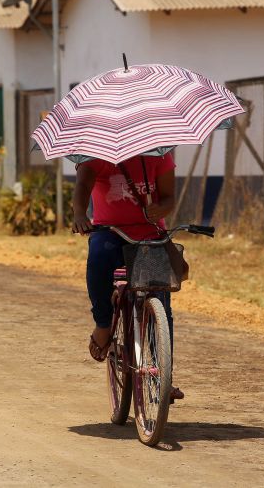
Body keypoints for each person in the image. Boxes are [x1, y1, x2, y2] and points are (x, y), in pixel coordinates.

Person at [72, 152, 183, 399]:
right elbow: (82, 186)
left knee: (160, 300)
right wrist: (80, 215)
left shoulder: (160, 154)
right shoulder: (96, 154)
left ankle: (163, 376)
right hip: (109, 231)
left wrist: (161, 208)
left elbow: (168, 198)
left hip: (150, 234)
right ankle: (103, 323)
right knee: (99, 259)